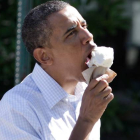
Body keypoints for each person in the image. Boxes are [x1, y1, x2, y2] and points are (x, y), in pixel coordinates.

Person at [0, 1, 115, 140]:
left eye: (84, 26)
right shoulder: (17, 107)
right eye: (71, 33)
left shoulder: (87, 92)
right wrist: (86, 121)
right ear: (44, 56)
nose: (88, 36)